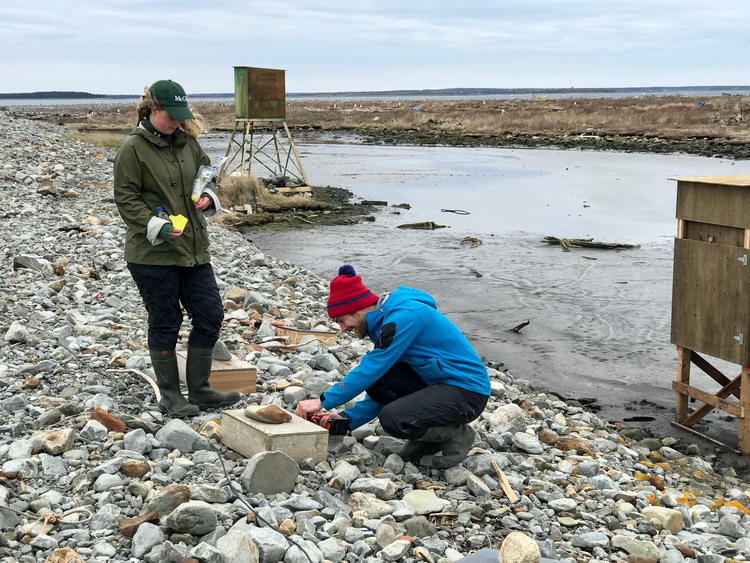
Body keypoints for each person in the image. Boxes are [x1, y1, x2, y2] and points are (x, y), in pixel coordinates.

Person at [113, 79, 240, 417]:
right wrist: (159, 226)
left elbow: (207, 178)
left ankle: (199, 390)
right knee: (166, 319)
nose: (177, 122)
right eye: (171, 116)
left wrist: (207, 197)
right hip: (152, 254)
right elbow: (126, 199)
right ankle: (170, 394)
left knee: (210, 314)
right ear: (153, 110)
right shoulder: (132, 149)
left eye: (181, 116)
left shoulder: (188, 144)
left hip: (194, 248)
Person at [296, 265, 490, 468]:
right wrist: (347, 419)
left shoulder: (405, 316)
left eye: (341, 320)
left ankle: (456, 434)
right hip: (439, 383)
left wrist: (323, 401)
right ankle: (426, 441)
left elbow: (373, 366)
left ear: (357, 308)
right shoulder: (383, 322)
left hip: (468, 391)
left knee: (393, 418)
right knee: (381, 379)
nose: (343, 329)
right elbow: (382, 381)